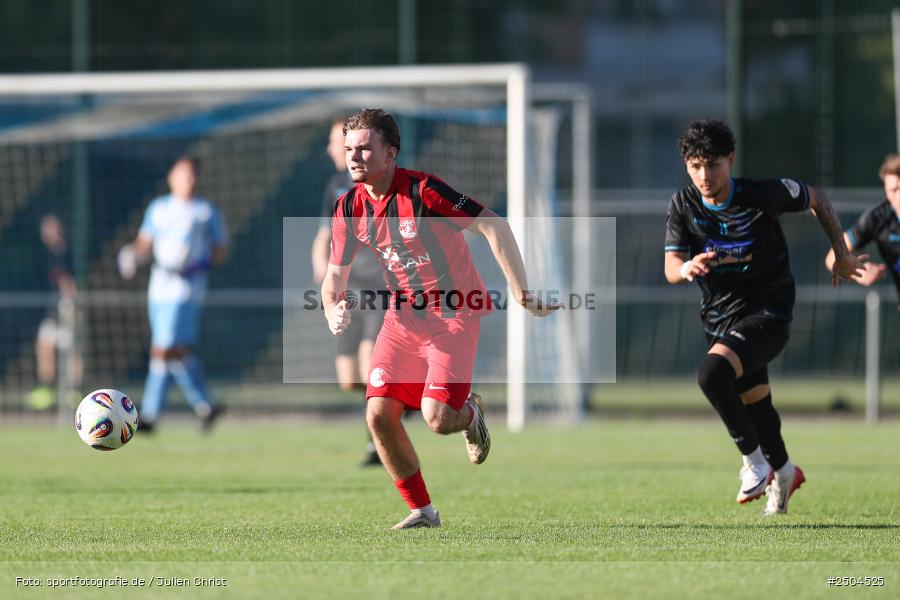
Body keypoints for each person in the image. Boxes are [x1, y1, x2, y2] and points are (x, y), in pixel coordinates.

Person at [322, 108, 557, 529]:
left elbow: (492, 225)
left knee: (437, 419)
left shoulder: (424, 191)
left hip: (455, 314)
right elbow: (332, 278)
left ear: (391, 152)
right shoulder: (348, 208)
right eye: (349, 149)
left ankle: (469, 415)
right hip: (403, 319)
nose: (354, 157)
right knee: (377, 414)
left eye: (365, 148)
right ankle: (423, 511)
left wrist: (521, 291)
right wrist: (331, 308)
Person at [663, 119, 865, 515]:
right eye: (695, 166)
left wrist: (841, 252)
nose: (705, 175)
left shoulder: (764, 194)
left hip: (769, 314)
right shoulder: (682, 205)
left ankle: (755, 464)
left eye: (713, 164)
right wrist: (686, 268)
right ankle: (786, 473)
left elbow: (818, 198)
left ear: (730, 160)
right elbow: (670, 265)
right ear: (686, 166)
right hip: (720, 320)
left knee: (711, 374)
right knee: (756, 403)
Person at [118, 156, 228, 433]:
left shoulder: (205, 211)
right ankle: (206, 406)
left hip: (186, 289)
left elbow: (220, 252)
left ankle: (151, 415)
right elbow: (145, 242)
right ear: (171, 178)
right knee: (173, 352)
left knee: (163, 348)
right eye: (182, 174)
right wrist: (132, 255)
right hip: (159, 287)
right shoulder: (159, 208)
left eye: (192, 175)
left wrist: (195, 267)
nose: (187, 180)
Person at [311, 118, 386, 467]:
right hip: (348, 291)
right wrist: (322, 270)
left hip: (380, 289)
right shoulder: (333, 187)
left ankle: (377, 443)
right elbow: (325, 233)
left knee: (371, 367)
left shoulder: (377, 185)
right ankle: (405, 401)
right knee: (349, 380)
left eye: (335, 142)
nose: (332, 149)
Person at [824, 153, 900, 307]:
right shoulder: (877, 219)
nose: (899, 195)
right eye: (893, 190)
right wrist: (858, 272)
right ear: (886, 191)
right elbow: (832, 258)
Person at [28, 214, 83, 410]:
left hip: (66, 308)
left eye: (53, 228)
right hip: (50, 311)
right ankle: (46, 389)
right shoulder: (43, 254)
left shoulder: (68, 253)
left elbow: (70, 283)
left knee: (71, 348)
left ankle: (73, 390)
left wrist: (73, 306)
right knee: (44, 345)